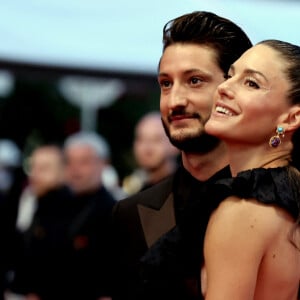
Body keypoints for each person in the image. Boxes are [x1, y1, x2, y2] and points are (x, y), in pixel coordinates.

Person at [111, 11, 252, 300]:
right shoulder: (131, 214)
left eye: (195, 81)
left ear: (236, 89)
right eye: (166, 83)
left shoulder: (283, 204)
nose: (175, 101)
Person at [199, 39, 300, 299]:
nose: (223, 88)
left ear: (291, 118)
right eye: (230, 75)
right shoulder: (289, 204)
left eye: (251, 83)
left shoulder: (242, 211)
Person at [63, 131, 117, 300]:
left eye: (84, 162)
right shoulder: (57, 205)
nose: (75, 169)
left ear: (103, 164)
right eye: (69, 162)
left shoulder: (114, 211)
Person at [122, 111, 179, 195]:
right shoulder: (132, 192)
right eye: (140, 139)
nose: (146, 148)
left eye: (156, 140)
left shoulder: (189, 191)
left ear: (175, 145)